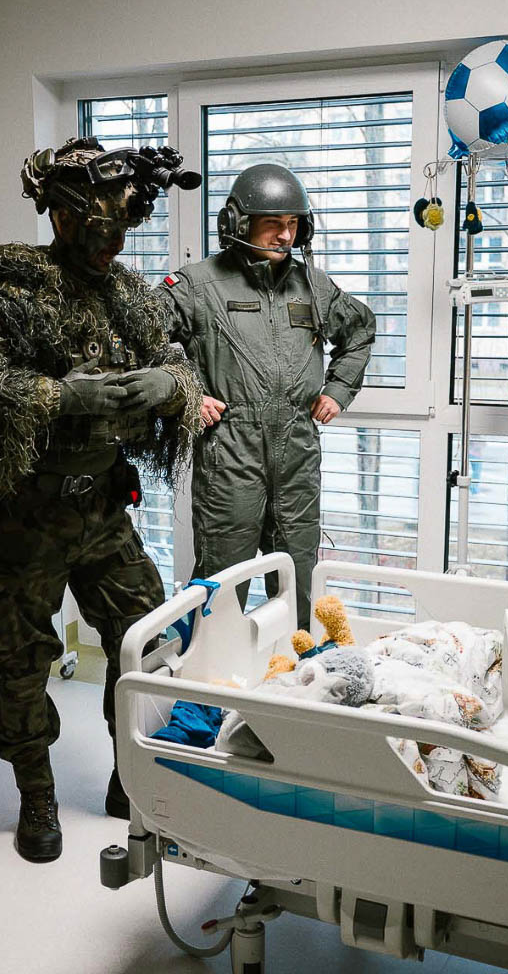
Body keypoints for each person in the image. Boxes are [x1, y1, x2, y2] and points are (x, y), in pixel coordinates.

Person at [0, 138, 203, 862]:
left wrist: (169, 386)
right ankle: (36, 795)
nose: (112, 246)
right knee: (22, 659)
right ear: (63, 218)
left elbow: (178, 363)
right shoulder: (5, 293)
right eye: (99, 231)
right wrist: (58, 396)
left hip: (103, 508)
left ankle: (129, 776)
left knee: (144, 638)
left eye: (122, 231)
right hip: (24, 513)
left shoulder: (127, 294)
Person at [159, 163, 375, 627]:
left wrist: (338, 389)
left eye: (293, 223)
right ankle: (210, 671)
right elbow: (138, 338)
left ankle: (297, 663)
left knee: (298, 576)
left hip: (297, 450)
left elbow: (360, 330)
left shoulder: (313, 286)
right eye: (273, 223)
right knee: (221, 580)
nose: (286, 235)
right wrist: (186, 393)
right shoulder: (197, 285)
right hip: (231, 452)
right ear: (238, 224)